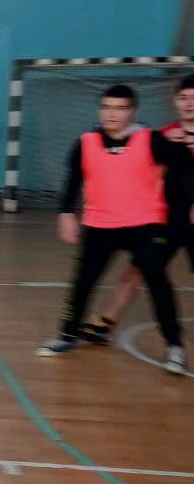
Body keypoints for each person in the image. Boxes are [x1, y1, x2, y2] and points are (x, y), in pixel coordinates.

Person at [37, 84, 194, 374]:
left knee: (157, 280)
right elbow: (73, 181)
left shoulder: (153, 140)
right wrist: (66, 213)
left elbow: (185, 169)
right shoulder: (85, 142)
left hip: (146, 224)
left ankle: (175, 347)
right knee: (83, 282)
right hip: (99, 225)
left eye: (120, 108)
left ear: (132, 112)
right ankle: (67, 336)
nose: (112, 114)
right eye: (107, 107)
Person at [81, 76, 194, 345]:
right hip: (167, 219)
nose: (189, 103)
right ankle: (104, 326)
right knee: (137, 271)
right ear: (175, 102)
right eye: (183, 98)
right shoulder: (163, 136)